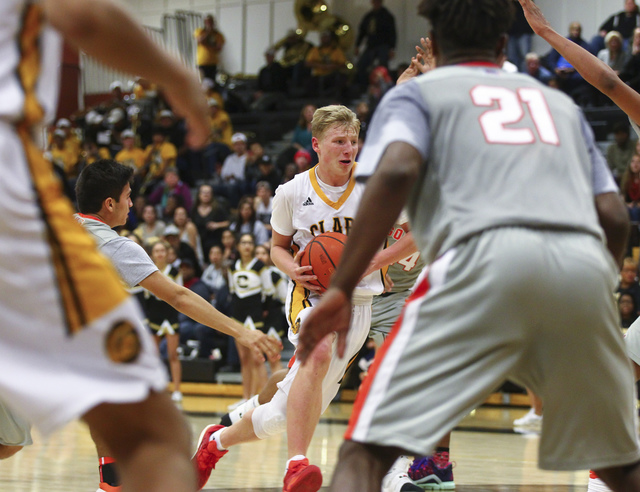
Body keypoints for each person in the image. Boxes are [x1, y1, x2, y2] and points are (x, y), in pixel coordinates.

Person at [297, 3, 640, 492]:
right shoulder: (557, 106)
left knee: (364, 452)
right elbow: (610, 216)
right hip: (568, 275)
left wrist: (340, 288)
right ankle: (435, 467)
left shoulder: (418, 96)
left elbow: (392, 176)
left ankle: (431, 466)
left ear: (435, 37)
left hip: (477, 270)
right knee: (616, 465)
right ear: (503, 47)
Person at [0, 0, 215, 490]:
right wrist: (178, 76)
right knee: (156, 436)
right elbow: (84, 17)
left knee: (11, 441)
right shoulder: (109, 241)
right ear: (113, 203)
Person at [191, 105, 384, 492]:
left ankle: (215, 442)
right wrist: (291, 268)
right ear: (316, 145)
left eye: (353, 141)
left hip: (359, 304)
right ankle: (297, 464)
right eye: (339, 141)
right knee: (319, 350)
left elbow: (411, 234)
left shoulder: (373, 184)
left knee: (280, 414)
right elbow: (277, 246)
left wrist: (374, 260)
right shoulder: (292, 192)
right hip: (310, 294)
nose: (349, 149)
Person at [73, 159, 281, 492]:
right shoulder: (116, 247)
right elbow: (180, 298)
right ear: (109, 204)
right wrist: (241, 331)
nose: (132, 203)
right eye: (128, 196)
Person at [144, 240, 184, 403]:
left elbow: (180, 294)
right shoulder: (147, 269)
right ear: (152, 254)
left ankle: (176, 390)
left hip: (170, 314)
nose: (160, 253)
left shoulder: (174, 272)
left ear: (167, 254)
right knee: (153, 355)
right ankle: (153, 388)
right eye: (157, 251)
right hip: (154, 314)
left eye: (162, 251)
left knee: (173, 354)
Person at [355, 0, 397, 91]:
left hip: (383, 45)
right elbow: (362, 32)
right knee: (361, 66)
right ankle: (364, 88)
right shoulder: (369, 16)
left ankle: (384, 88)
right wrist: (357, 45)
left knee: (383, 67)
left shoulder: (387, 16)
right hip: (371, 45)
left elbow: (392, 33)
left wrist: (392, 48)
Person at [194, 14, 225, 81]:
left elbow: (219, 48)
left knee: (212, 83)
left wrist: (207, 44)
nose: (209, 24)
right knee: (202, 82)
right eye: (207, 22)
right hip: (202, 62)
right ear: (205, 23)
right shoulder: (200, 31)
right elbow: (200, 40)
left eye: (211, 22)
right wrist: (208, 32)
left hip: (213, 63)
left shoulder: (218, 35)